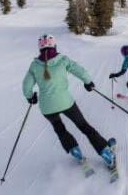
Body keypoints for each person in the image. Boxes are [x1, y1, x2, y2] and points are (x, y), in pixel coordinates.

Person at [22, 34, 116, 168]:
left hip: (47, 108)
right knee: (84, 126)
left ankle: (75, 151)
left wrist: (30, 96)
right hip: (66, 103)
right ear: (54, 45)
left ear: (40, 48)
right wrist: (88, 82)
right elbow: (80, 71)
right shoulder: (63, 60)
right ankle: (105, 152)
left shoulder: (34, 65)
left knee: (59, 129)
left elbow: (26, 85)